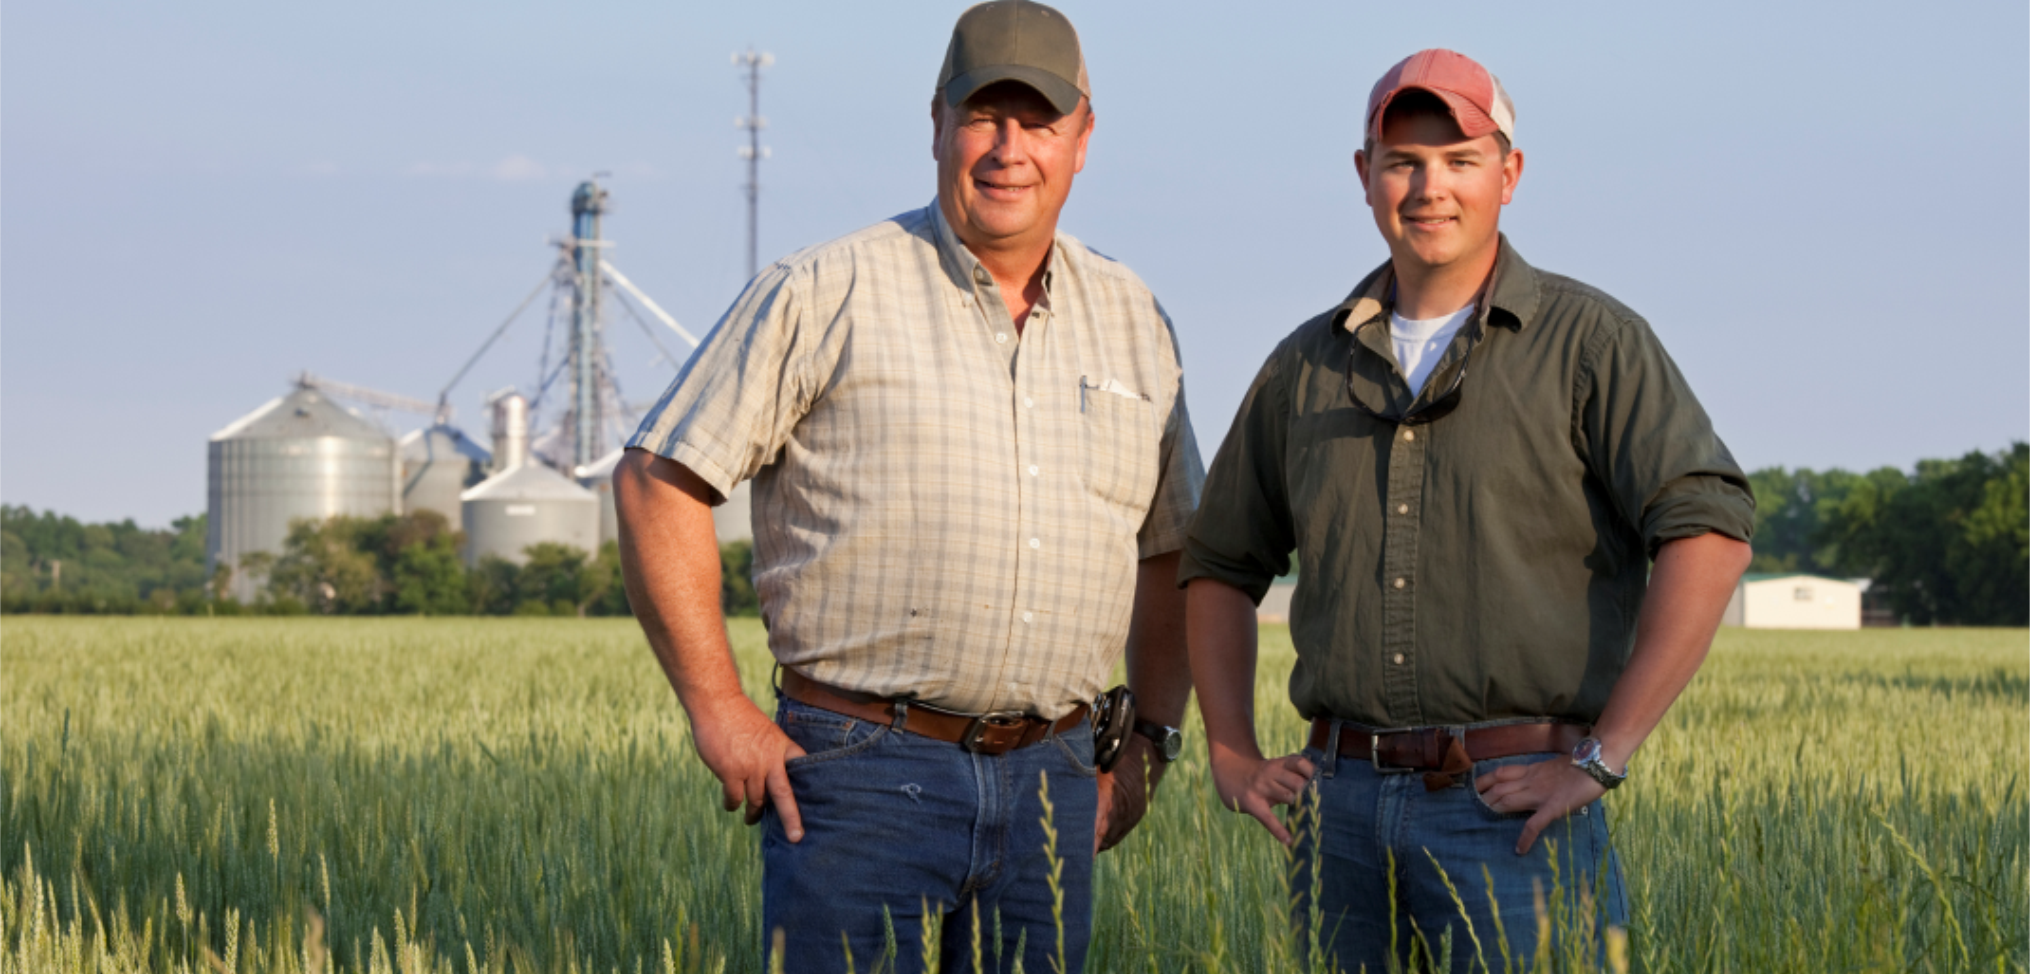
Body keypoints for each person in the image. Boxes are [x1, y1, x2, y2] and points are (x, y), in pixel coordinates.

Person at [613, 3, 1203, 970]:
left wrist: (1150, 747)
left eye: (1040, 121)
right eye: (983, 115)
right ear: (936, 123)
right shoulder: (825, 291)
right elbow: (655, 481)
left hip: (1057, 779)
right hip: (860, 774)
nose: (1009, 149)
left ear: (1083, 139)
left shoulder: (1134, 319)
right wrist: (717, 709)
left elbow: (1172, 546)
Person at [1178, 48, 1754, 971]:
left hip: (1514, 813)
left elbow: (1710, 534)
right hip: (1340, 816)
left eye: (1460, 159)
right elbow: (1216, 566)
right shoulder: (1303, 364)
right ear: (1364, 177)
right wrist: (1231, 749)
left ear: (1510, 174)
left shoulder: (1590, 344)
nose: (1428, 187)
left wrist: (1603, 757)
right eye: (1402, 160)